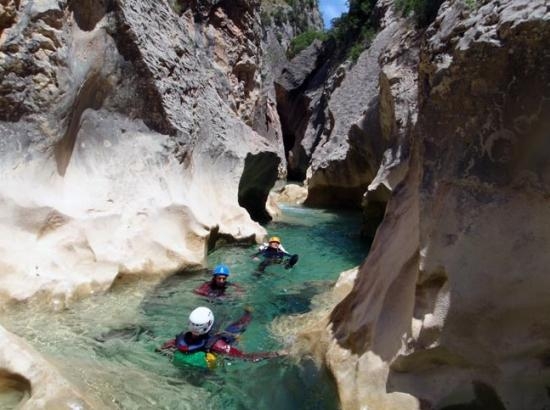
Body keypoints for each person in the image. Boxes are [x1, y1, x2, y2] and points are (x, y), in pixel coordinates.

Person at [157, 306, 281, 367]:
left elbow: (162, 348)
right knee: (239, 325)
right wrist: (277, 354)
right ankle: (249, 313)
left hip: (210, 345)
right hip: (220, 341)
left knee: (229, 326)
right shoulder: (217, 345)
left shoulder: (179, 339)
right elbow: (246, 357)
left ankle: (244, 313)